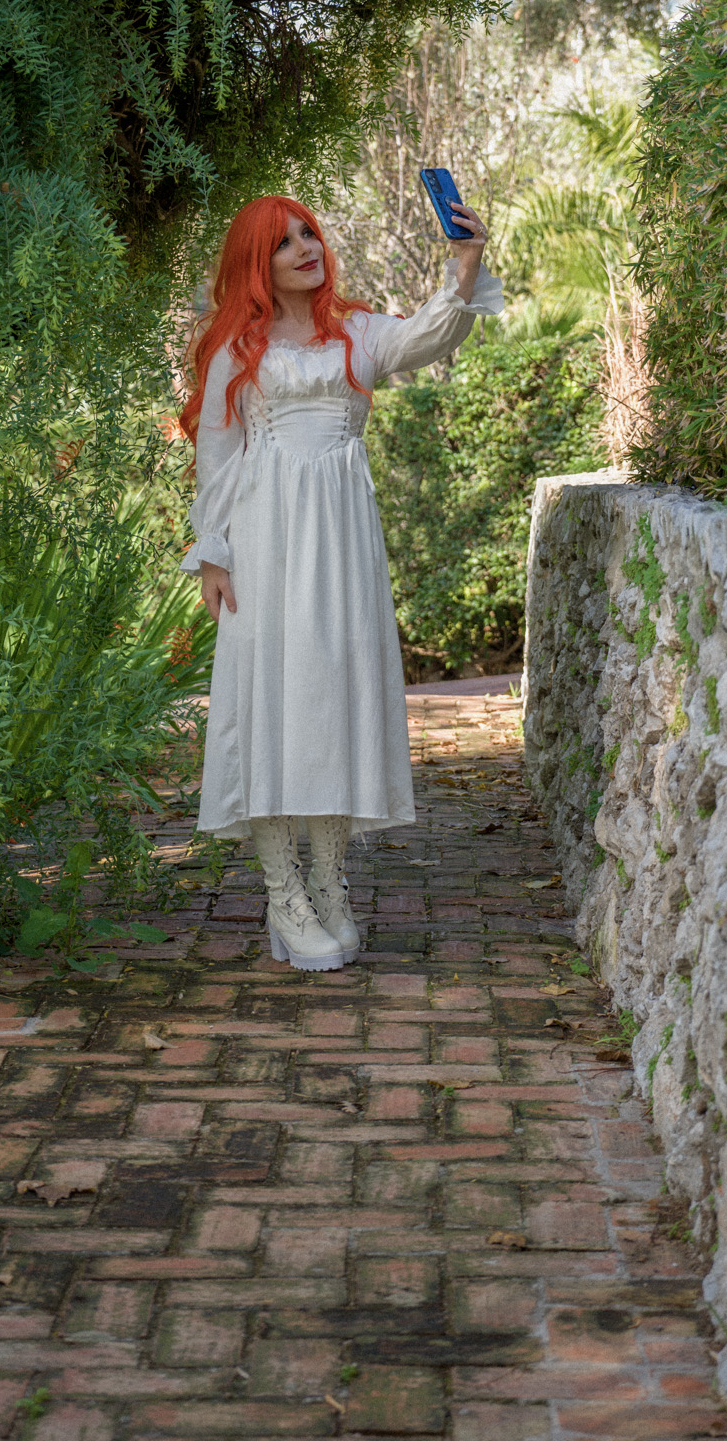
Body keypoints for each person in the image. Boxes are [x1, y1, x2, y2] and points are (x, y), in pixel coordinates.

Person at [178, 194, 502, 970]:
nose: (305, 249)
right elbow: (217, 454)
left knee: (329, 700)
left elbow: (430, 334)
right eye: (284, 242)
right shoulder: (236, 348)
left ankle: (327, 880)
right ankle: (283, 891)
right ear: (256, 263)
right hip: (264, 537)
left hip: (343, 539)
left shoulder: (355, 331)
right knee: (269, 703)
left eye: (309, 234)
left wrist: (465, 261)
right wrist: (213, 555)